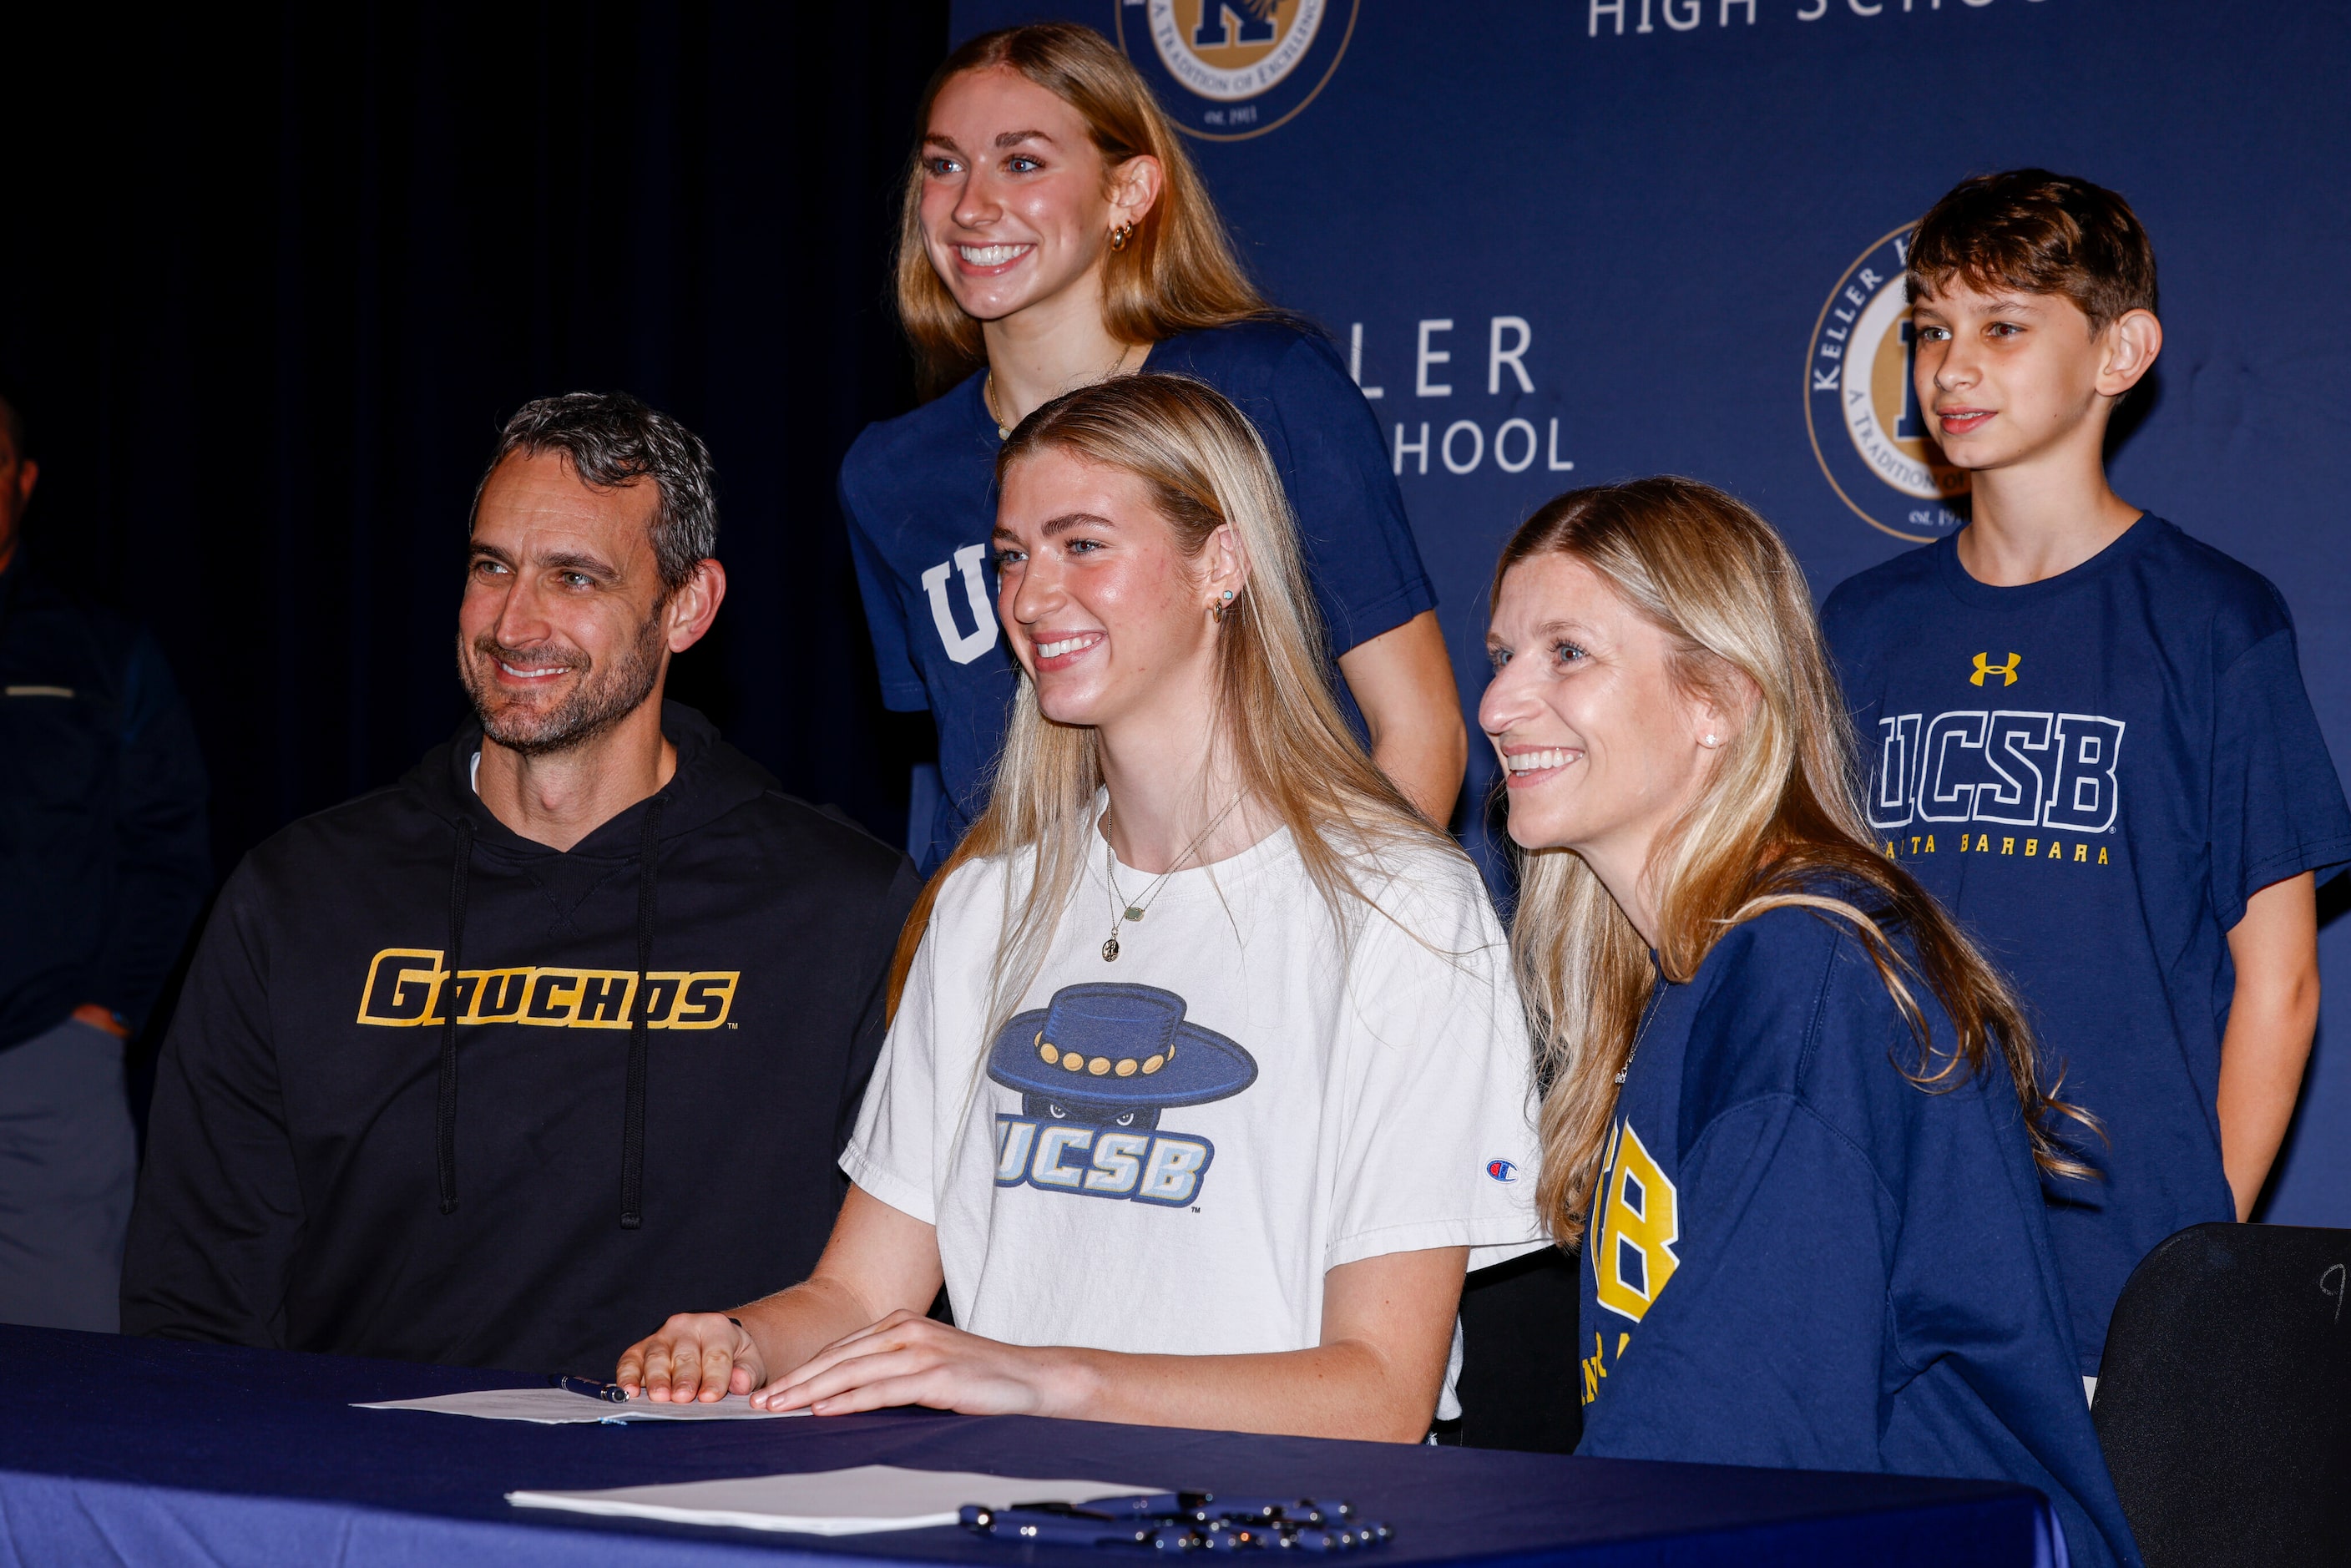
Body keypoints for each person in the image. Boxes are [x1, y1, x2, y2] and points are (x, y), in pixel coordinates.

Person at [619, 375, 1540, 1439]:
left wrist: (1038, 1378)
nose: (1030, 596)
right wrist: (734, 1339)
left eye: (1082, 545)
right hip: (1000, 1521)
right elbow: (859, 1300)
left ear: (1222, 565)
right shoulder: (982, 907)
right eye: (1011, 555)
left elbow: (1379, 1392)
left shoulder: (1401, 908)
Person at [122, 392, 919, 1376]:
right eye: (491, 566)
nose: (512, 622)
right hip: (363, 1492)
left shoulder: (839, 907)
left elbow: (885, 1296)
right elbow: (196, 1286)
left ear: (687, 607)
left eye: (574, 577)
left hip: (692, 1498)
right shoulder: (300, 895)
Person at [1484, 478, 2139, 1566]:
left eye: (1567, 653)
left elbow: (1742, 1429)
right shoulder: (1702, 975)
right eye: (1502, 654)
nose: (1500, 703)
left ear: (1717, 700)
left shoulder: (1803, 972)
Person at [1821, 170, 2348, 1383]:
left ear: (2123, 349)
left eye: (2004, 327)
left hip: (2119, 1267)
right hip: (1879, 1245)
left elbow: (2282, 982)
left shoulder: (2217, 621)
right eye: (1930, 330)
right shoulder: (1856, 628)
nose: (1953, 368)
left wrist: (2191, 1259)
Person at [842, 22, 1464, 875]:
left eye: (1021, 162)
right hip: (1025, 962)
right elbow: (961, 785)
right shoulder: (890, 471)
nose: (970, 204)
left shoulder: (1263, 387)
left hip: (1261, 939)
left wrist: (1331, 960)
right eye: (943, 164)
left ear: (1128, 191)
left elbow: (1418, 730)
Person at [0, 389, 210, 1333]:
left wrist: (103, 1017)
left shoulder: (100, 650)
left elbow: (169, 849)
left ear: (24, 480)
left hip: (44, 1068)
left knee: (63, 1376)